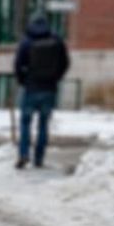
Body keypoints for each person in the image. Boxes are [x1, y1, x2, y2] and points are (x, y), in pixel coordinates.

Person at [13, 13, 70, 169]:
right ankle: (39, 158)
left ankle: (24, 153)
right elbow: (65, 63)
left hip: (31, 88)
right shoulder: (57, 41)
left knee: (25, 123)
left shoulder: (27, 42)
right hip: (49, 89)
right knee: (43, 124)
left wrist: (23, 81)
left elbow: (18, 65)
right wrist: (55, 78)